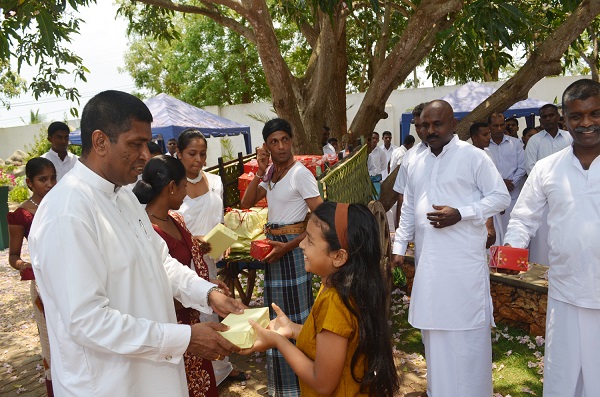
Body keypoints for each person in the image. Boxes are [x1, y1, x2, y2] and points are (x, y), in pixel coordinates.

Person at [28, 90, 245, 397]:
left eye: (147, 142)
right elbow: (88, 321)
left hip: (155, 379)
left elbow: (161, 262)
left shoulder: (125, 199)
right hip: (111, 385)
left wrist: (207, 293)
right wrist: (182, 338)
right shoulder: (68, 212)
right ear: (101, 142)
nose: (146, 154)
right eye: (135, 144)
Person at [392, 100, 510, 397]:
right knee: (435, 339)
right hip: (429, 267)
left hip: (463, 269)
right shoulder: (414, 160)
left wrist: (462, 212)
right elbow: (407, 208)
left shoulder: (474, 157)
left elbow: (500, 198)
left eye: (437, 124)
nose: (430, 131)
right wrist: (398, 245)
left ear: (453, 123)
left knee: (467, 342)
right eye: (425, 125)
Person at [504, 79, 600, 397]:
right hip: (565, 293)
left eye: (595, 113)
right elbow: (523, 217)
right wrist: (512, 249)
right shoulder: (547, 168)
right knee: (563, 382)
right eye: (577, 116)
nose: (586, 123)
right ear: (564, 118)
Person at [243, 202, 400, 396]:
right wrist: (292, 329)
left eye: (309, 240)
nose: (301, 244)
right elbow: (331, 344)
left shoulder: (335, 301)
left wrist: (278, 342)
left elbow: (323, 384)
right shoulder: (341, 287)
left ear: (339, 257)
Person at [134, 155, 230, 397]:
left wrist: (207, 287)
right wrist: (205, 295)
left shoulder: (176, 219)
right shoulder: (144, 229)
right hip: (169, 324)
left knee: (201, 381)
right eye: (184, 184)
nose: (188, 191)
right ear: (171, 187)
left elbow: (184, 269)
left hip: (192, 318)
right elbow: (156, 281)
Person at [240, 118, 322, 396]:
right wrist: (259, 172)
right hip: (274, 249)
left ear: (292, 141)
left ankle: (302, 386)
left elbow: (320, 216)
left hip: (294, 249)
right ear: (266, 146)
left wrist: (289, 246)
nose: (281, 146)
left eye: (285, 140)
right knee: (277, 318)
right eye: (274, 142)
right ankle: (283, 388)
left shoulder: (300, 174)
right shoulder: (272, 173)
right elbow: (246, 203)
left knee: (295, 317)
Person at [174, 128, 249, 384]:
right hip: (181, 259)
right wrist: (193, 241)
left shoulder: (215, 182)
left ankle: (221, 368)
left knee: (213, 309)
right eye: (191, 154)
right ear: (179, 154)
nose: (198, 160)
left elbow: (219, 219)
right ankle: (195, 371)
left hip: (209, 258)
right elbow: (164, 224)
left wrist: (223, 239)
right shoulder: (172, 187)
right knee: (191, 313)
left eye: (202, 154)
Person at [7, 157, 57, 396]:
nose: (49, 184)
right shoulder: (22, 214)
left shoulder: (62, 203)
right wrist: (24, 265)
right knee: (51, 340)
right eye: (42, 179)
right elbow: (13, 255)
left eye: (53, 178)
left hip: (71, 276)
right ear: (29, 182)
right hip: (42, 283)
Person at [524, 104, 572, 266]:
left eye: (551, 115)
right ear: (540, 120)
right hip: (543, 197)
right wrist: (548, 188)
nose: (548, 119)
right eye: (544, 117)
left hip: (569, 195)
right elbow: (530, 168)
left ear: (558, 116)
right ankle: (540, 267)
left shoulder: (569, 138)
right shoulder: (534, 141)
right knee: (542, 237)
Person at [487, 112, 526, 245]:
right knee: (497, 237)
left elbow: (522, 167)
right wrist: (500, 185)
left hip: (514, 196)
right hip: (493, 197)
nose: (499, 129)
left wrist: (511, 183)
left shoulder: (515, 144)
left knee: (514, 234)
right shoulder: (485, 147)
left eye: (501, 125)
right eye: (495, 125)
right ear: (489, 127)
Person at [391, 103, 429, 229]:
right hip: (418, 228)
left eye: (424, 125)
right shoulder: (410, 156)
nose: (420, 130)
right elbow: (402, 194)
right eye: (417, 126)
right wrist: (400, 231)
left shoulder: (463, 154)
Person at [469, 122, 497, 248]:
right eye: (485, 134)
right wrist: (489, 223)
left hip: (490, 207)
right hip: (475, 210)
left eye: (489, 134)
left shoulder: (489, 154)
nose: (489, 137)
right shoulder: (469, 156)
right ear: (475, 138)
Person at [367, 131, 386, 198]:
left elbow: (384, 166)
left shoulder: (381, 152)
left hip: (376, 179)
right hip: (366, 179)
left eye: (376, 139)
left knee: (375, 199)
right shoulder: (365, 151)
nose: (374, 140)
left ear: (378, 140)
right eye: (373, 138)